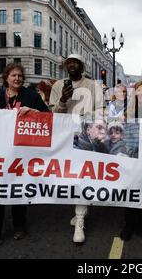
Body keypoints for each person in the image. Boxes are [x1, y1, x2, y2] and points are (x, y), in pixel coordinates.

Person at [0, 63, 49, 251]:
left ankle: (19, 225)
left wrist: (33, 112)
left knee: (18, 190)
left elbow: (48, 116)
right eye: (13, 75)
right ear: (6, 77)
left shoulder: (31, 96)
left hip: (21, 152)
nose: (16, 78)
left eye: (19, 75)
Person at [49, 54, 104, 244]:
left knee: (83, 175)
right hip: (64, 137)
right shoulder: (57, 86)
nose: (72, 65)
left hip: (85, 136)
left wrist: (85, 117)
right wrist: (63, 100)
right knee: (70, 176)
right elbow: (53, 114)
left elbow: (101, 110)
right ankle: (82, 208)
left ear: (81, 66)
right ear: (66, 67)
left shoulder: (93, 86)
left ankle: (80, 218)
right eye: (69, 63)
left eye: (76, 62)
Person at [120, 81, 142, 241]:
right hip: (131, 155)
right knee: (129, 189)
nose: (141, 93)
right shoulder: (128, 111)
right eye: (138, 90)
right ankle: (129, 224)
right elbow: (122, 131)